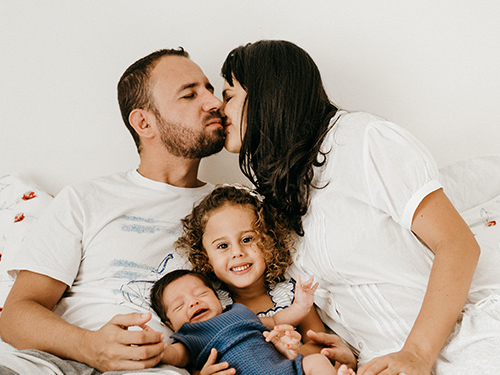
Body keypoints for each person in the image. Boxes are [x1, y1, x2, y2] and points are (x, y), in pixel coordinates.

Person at [220, 40, 500, 374]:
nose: (218, 109)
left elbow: (457, 244)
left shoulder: (363, 139)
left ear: (266, 94)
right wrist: (347, 349)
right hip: (380, 365)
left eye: (228, 96)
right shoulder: (276, 201)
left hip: (467, 344)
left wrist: (416, 354)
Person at [0, 48, 226, 375]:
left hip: (155, 366)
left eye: (211, 90)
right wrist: (89, 347)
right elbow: (17, 314)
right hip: (51, 361)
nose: (214, 102)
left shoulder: (236, 209)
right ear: (144, 122)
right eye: (190, 94)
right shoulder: (85, 198)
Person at [173, 184, 356, 370]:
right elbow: (196, 351)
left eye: (247, 239)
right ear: (205, 258)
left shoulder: (293, 296)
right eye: (222, 246)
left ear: (269, 240)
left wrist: (292, 350)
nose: (237, 252)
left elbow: (318, 343)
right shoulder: (212, 306)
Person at [149, 269, 355, 375]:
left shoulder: (239, 311)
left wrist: (300, 306)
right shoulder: (189, 336)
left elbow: (276, 319)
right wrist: (151, 344)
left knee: (316, 362)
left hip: (287, 369)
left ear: (217, 297)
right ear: (168, 324)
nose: (193, 302)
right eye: (179, 306)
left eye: (201, 294)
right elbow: (174, 355)